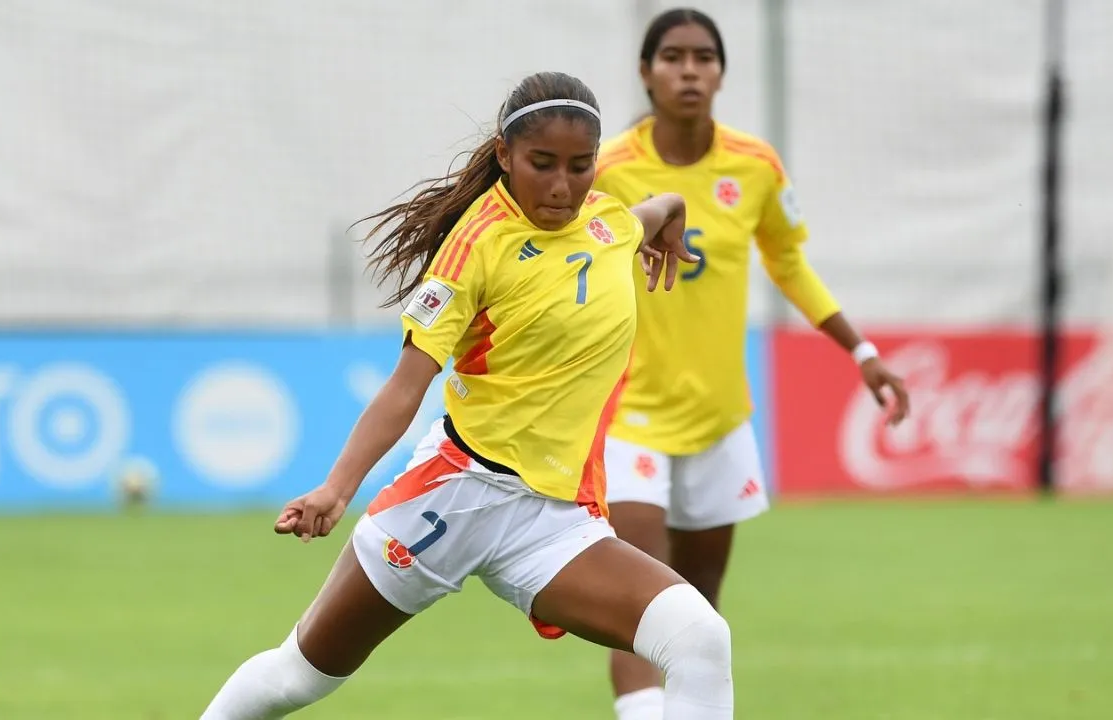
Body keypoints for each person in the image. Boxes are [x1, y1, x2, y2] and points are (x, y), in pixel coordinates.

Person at [199, 71, 738, 720]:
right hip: (452, 498)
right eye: (542, 163)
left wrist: (671, 214)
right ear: (505, 155)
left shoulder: (608, 224)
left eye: (580, 166)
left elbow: (655, 210)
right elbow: (405, 387)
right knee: (297, 679)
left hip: (549, 521)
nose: (562, 185)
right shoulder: (474, 247)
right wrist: (337, 489)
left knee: (700, 639)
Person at [592, 9, 912, 720]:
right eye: (672, 57)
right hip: (629, 416)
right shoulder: (608, 170)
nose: (689, 70)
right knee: (642, 602)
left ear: (721, 73)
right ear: (645, 73)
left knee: (700, 611)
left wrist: (861, 351)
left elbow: (789, 262)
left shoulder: (755, 165)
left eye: (703, 57)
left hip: (719, 417)